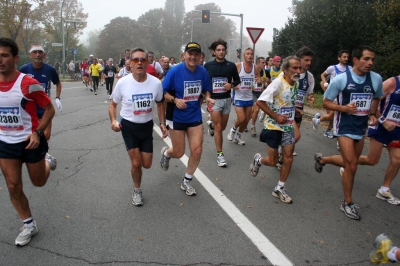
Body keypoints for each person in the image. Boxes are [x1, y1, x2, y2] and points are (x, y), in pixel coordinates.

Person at [313, 45, 383, 220]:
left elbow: (376, 97)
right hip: (343, 126)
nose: (370, 63)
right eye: (366, 59)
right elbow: (326, 103)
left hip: (361, 128)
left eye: (372, 59)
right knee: (351, 165)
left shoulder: (376, 79)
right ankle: (347, 203)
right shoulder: (341, 80)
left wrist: (373, 114)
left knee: (349, 163)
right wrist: (343, 108)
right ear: (356, 60)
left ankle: (324, 159)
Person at [0, 37, 57, 246]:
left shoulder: (28, 83)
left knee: (38, 182)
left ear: (15, 58)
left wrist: (37, 133)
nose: (0, 60)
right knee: (13, 184)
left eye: (4, 55)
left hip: (31, 140)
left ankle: (47, 162)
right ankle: (29, 224)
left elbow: (49, 109)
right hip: (5, 142)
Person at [108, 48, 167, 206]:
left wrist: (162, 123)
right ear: (130, 64)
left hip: (147, 127)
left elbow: (161, 104)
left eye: (142, 60)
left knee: (146, 164)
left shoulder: (155, 83)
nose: (139, 63)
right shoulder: (123, 83)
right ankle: (137, 190)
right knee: (136, 163)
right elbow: (113, 105)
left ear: (147, 62)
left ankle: (161, 155)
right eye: (136, 60)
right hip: (129, 126)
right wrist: (113, 121)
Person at [160, 42, 214, 196]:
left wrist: (208, 98)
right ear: (184, 55)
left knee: (197, 150)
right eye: (190, 54)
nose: (193, 57)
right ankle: (166, 154)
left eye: (196, 54)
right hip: (176, 116)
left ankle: (187, 181)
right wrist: (175, 100)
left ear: (200, 56)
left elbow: (206, 90)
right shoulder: (175, 71)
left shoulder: (202, 72)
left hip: (194, 115)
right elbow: (163, 93)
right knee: (179, 152)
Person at [249, 56, 301, 204]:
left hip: (288, 126)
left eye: (299, 68)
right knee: (273, 161)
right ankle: (259, 160)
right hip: (273, 126)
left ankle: (279, 188)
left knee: (288, 157)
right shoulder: (278, 83)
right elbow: (260, 102)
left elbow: (287, 101)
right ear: (285, 70)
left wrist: (295, 110)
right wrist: (276, 116)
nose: (298, 71)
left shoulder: (295, 83)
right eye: (294, 68)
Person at [341, 75, 400, 205]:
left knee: (397, 160)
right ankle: (346, 164)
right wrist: (383, 121)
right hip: (381, 126)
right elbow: (373, 103)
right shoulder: (392, 82)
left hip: (396, 129)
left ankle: (384, 189)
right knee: (372, 160)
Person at [204, 38, 241, 167]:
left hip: (226, 99)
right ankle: (220, 155)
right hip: (214, 101)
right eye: (218, 50)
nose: (221, 52)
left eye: (223, 50)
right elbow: (205, 83)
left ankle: (211, 126)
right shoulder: (208, 65)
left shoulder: (231, 65)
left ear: (225, 51)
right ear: (214, 52)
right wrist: (207, 97)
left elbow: (237, 80)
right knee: (219, 127)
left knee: (222, 127)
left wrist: (230, 84)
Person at [19, 44, 62, 141]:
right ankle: (37, 154)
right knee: (30, 135)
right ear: (30, 55)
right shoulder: (24, 69)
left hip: (45, 107)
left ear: (44, 55)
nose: (37, 54)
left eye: (40, 52)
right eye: (34, 52)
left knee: (46, 135)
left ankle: (42, 152)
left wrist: (57, 98)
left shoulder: (50, 69)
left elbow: (58, 83)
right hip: (28, 108)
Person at [313, 50, 352, 137]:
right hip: (331, 96)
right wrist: (325, 82)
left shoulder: (350, 69)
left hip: (342, 96)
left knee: (334, 116)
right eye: (344, 57)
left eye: (347, 57)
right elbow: (323, 75)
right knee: (332, 116)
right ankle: (319, 121)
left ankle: (322, 124)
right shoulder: (333, 68)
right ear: (339, 58)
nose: (346, 59)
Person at [227, 48, 261, 145]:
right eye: (247, 54)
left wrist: (259, 81)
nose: (250, 56)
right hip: (238, 96)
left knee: (246, 119)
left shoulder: (256, 68)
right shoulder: (238, 66)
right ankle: (233, 131)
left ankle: (238, 136)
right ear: (244, 56)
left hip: (249, 96)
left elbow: (258, 80)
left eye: (251, 54)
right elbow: (229, 79)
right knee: (241, 118)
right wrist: (233, 84)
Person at [293, 46, 315, 147]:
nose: (309, 63)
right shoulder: (289, 73)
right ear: (299, 59)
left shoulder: (310, 77)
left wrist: (310, 97)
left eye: (310, 60)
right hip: (287, 109)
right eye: (306, 60)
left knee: (294, 135)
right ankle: (283, 152)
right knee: (296, 135)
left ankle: (284, 149)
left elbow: (309, 93)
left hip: (299, 110)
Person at [250, 56, 271, 136]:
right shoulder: (252, 72)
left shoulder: (266, 72)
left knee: (252, 111)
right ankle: (252, 127)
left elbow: (269, 85)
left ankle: (246, 121)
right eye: (262, 62)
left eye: (264, 62)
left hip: (261, 93)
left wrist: (268, 82)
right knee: (256, 109)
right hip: (252, 92)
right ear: (257, 64)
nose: (264, 64)